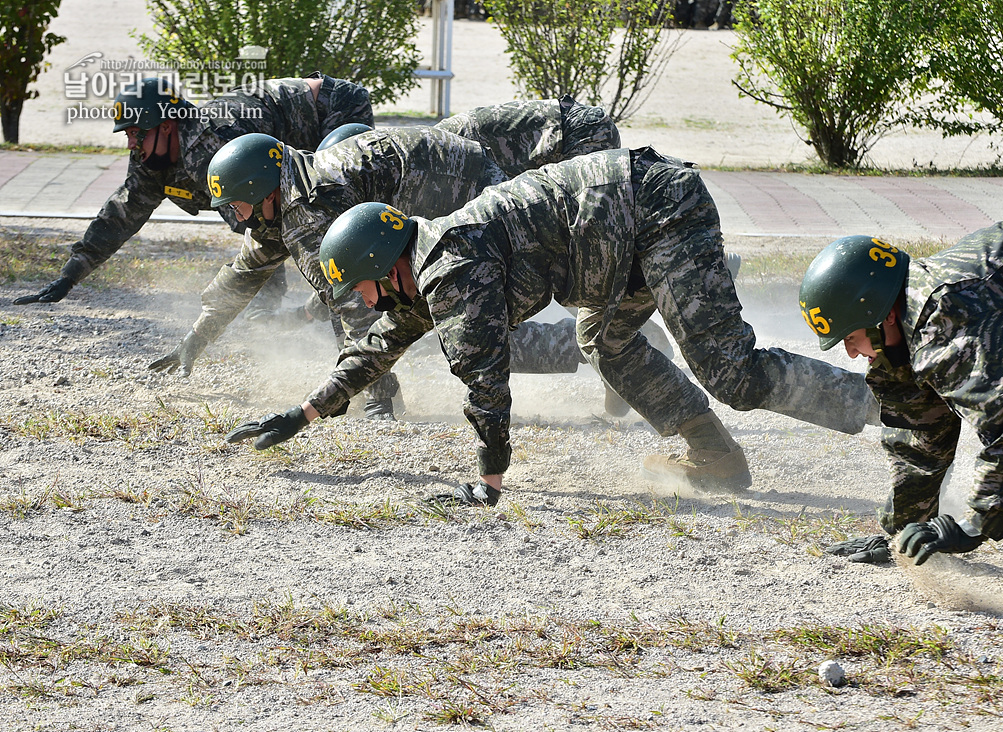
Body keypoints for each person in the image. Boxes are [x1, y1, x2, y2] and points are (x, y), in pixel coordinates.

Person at [225, 148, 877, 506]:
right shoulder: (421, 259)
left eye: (358, 283)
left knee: (728, 368)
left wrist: (490, 483)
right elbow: (376, 350)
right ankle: (716, 456)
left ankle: (884, 401)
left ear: (379, 264)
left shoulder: (451, 268)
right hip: (620, 248)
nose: (360, 298)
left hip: (656, 213)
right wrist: (304, 413)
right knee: (605, 342)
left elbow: (486, 384)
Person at [152, 96, 633, 420]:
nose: (233, 220)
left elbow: (353, 308)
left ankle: (608, 347)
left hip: (467, 201)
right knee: (449, 320)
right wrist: (195, 340)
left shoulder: (308, 205)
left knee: (465, 326)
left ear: (259, 191)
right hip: (462, 190)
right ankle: (605, 347)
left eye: (234, 206)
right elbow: (242, 275)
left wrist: (378, 398)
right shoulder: (282, 201)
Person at [798, 206, 1003, 579]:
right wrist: (902, 533)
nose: (852, 353)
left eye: (851, 337)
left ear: (883, 317)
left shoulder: (945, 321)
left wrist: (976, 522)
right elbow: (919, 436)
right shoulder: (904, 332)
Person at [12, 73, 374, 308]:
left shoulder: (210, 145)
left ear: (166, 126)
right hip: (285, 129)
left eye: (136, 132)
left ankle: (372, 299)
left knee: (335, 207)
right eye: (128, 135)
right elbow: (121, 215)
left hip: (332, 106)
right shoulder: (150, 159)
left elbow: (266, 229)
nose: (130, 144)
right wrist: (69, 276)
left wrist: (264, 303)